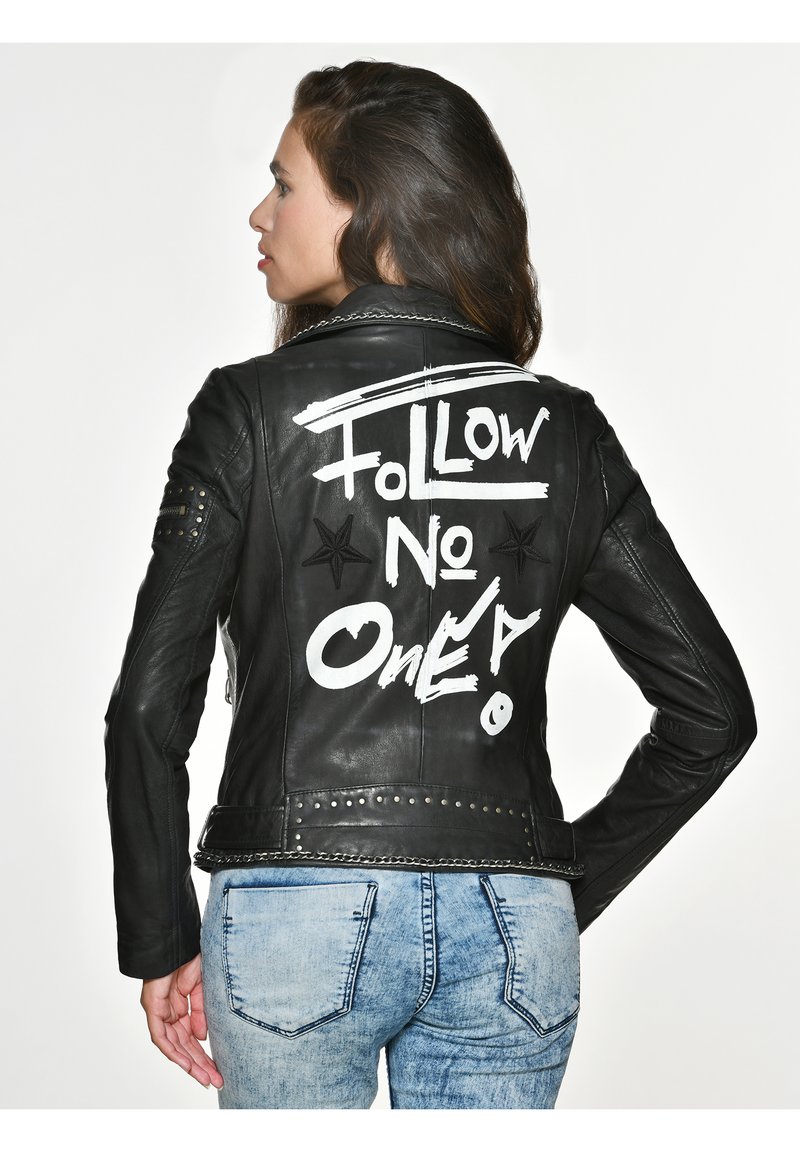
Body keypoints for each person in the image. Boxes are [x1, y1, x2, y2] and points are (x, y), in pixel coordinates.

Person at [103, 60, 757, 1109]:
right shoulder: (566, 432)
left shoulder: (247, 411)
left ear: (368, 205)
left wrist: (158, 934)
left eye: (284, 184)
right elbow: (713, 710)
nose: (259, 212)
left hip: (293, 911)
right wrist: (546, 881)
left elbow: (148, 703)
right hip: (511, 923)